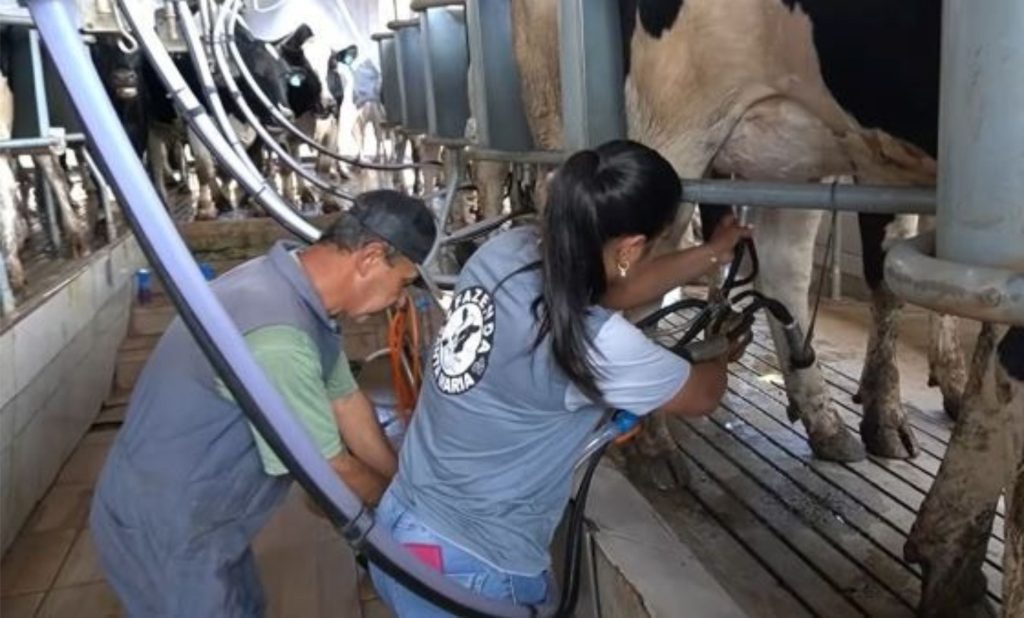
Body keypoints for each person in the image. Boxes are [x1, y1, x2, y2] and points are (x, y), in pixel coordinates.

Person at [369, 140, 752, 615]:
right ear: (632, 246)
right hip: (474, 572)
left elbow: (618, 285)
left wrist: (711, 253)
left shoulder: (504, 252)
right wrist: (720, 348)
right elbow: (703, 395)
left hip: (398, 531)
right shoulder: (599, 347)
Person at [90, 189, 436, 617]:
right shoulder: (279, 335)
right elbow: (328, 476)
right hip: (167, 526)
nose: (400, 300)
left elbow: (347, 403)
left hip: (208, 519)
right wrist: (411, 515)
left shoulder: (291, 287)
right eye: (401, 283)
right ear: (369, 258)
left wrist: (402, 485)